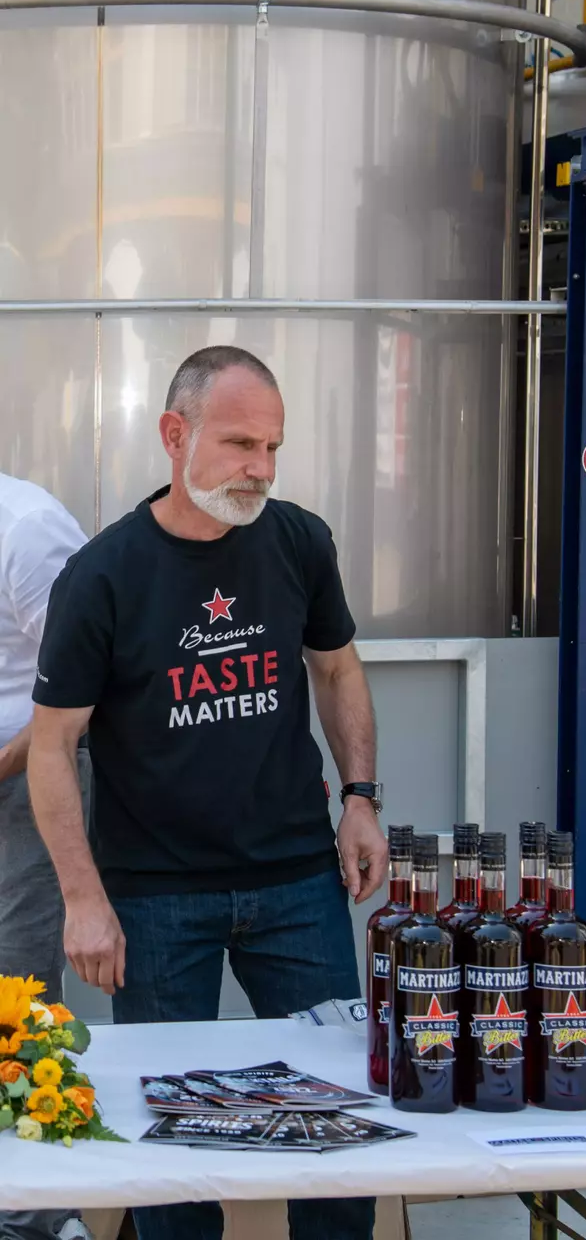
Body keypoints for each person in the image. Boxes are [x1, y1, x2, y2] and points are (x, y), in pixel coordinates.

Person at [27, 345, 388, 1240]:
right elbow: (53, 745)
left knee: (336, 1116)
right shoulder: (103, 575)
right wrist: (83, 898)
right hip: (155, 898)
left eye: (272, 447)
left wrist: (359, 796)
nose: (259, 468)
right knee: (172, 1147)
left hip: (296, 882)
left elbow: (336, 669)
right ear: (173, 433)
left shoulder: (299, 540)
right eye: (239, 444)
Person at [0, 474, 89, 1240]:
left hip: (22, 784)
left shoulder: (26, 529)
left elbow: (88, 677)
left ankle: (34, 1215)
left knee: (17, 996)